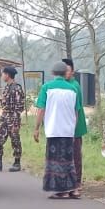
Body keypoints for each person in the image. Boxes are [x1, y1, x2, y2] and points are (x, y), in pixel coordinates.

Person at [34, 61, 86, 199]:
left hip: (53, 130)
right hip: (68, 131)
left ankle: (61, 190)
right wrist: (73, 129)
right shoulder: (73, 89)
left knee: (55, 161)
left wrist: (37, 128)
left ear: (52, 73)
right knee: (69, 161)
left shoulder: (47, 87)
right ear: (65, 73)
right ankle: (73, 189)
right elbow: (76, 112)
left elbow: (41, 109)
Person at [0, 65, 25, 172]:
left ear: (7, 75)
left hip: (13, 117)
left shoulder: (16, 88)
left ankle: (17, 163)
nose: (2, 76)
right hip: (5, 116)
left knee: (15, 140)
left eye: (3, 74)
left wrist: (16, 123)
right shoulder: (7, 87)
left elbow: (19, 107)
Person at [61, 58, 88, 185]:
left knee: (75, 155)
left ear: (72, 71)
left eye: (67, 70)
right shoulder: (62, 84)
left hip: (75, 127)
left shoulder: (74, 86)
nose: (65, 73)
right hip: (64, 126)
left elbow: (74, 110)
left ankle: (77, 181)